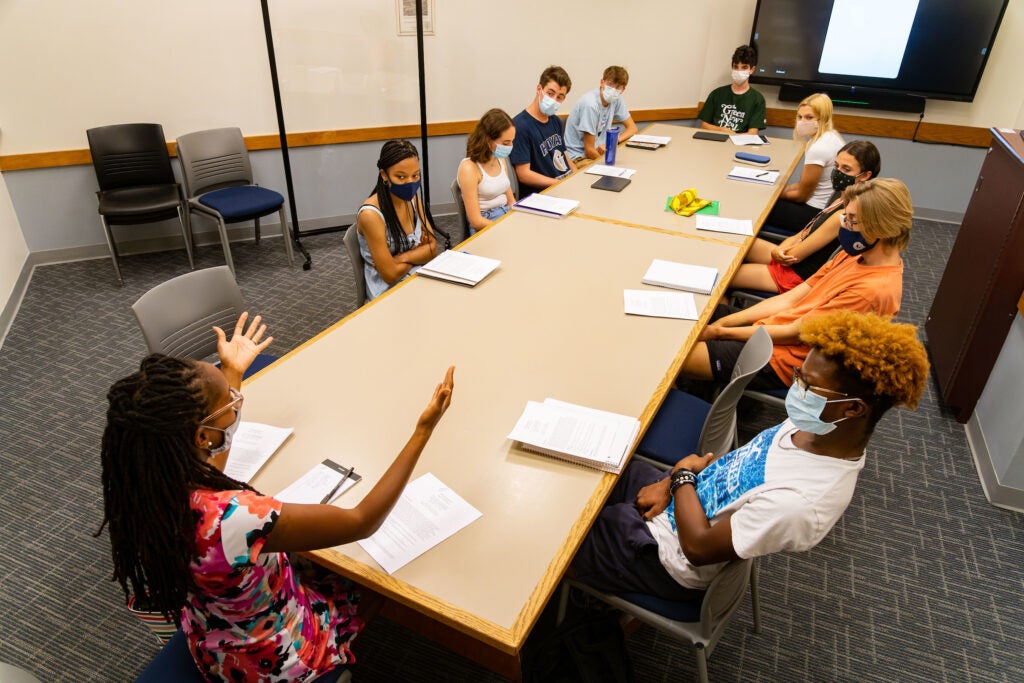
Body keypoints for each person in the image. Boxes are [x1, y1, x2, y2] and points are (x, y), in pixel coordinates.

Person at [98, 312, 455, 681]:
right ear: (202, 436)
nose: (236, 405)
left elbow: (213, 466)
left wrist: (232, 373)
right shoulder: (236, 517)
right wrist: (422, 432)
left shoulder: (148, 488)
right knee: (370, 579)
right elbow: (361, 521)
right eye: (229, 404)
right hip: (273, 660)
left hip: (215, 639)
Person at [572, 310, 929, 598]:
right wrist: (672, 482)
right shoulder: (812, 428)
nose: (796, 388)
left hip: (665, 555)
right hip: (682, 498)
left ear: (852, 409)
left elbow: (697, 546)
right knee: (583, 465)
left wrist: (681, 475)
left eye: (807, 385)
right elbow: (733, 473)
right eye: (798, 376)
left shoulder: (803, 502)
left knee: (555, 545)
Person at [681, 177, 912, 391]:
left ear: (883, 229)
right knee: (691, 313)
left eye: (853, 221)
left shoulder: (871, 291)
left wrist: (722, 332)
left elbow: (794, 333)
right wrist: (725, 323)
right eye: (846, 217)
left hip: (782, 358)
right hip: (773, 331)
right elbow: (790, 299)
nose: (845, 226)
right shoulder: (853, 256)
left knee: (672, 358)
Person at [732, 140, 881, 293]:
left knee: (726, 274)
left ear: (865, 175)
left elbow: (795, 256)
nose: (838, 172)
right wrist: (779, 250)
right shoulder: (840, 197)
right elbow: (803, 233)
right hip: (789, 258)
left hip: (795, 275)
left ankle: (722, 310)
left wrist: (779, 252)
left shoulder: (844, 215)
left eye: (846, 169)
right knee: (735, 242)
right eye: (836, 166)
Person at [356, 140, 441, 300]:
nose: (410, 182)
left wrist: (399, 259)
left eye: (415, 175)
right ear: (384, 175)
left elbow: (432, 249)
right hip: (389, 294)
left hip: (418, 278)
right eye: (401, 177)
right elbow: (389, 275)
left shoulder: (414, 199)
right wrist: (417, 255)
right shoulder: (371, 215)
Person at [764, 93, 845, 233]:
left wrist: (774, 193)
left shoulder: (819, 147)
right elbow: (804, 185)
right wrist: (782, 189)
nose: (802, 122)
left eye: (809, 117)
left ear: (822, 119)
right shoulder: (831, 137)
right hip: (823, 207)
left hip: (812, 213)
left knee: (758, 205)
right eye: (800, 117)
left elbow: (801, 195)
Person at [510, 65, 578, 196]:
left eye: (560, 97)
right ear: (539, 89)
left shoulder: (555, 121)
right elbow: (524, 174)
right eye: (550, 93)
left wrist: (576, 178)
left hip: (565, 186)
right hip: (545, 194)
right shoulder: (520, 126)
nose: (554, 100)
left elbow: (565, 156)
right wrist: (559, 184)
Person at [457, 108, 516, 235]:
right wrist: (506, 228)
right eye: (506, 143)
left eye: (512, 141)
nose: (510, 147)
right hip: (486, 222)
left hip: (505, 215)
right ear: (488, 140)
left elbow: (511, 201)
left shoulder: (500, 159)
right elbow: (476, 221)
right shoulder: (469, 168)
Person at [564, 65, 639, 165]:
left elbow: (632, 128)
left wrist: (614, 142)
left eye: (618, 88)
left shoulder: (616, 99)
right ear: (602, 82)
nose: (613, 90)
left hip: (599, 151)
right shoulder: (590, 104)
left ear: (623, 90)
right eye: (610, 84)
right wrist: (609, 165)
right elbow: (589, 151)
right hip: (578, 157)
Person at [697, 45, 766, 134]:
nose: (739, 71)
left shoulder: (757, 99)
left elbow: (752, 133)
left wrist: (734, 136)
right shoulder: (717, 94)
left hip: (740, 144)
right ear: (732, 67)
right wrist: (722, 130)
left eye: (744, 67)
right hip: (714, 140)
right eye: (736, 67)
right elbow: (704, 125)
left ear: (752, 70)